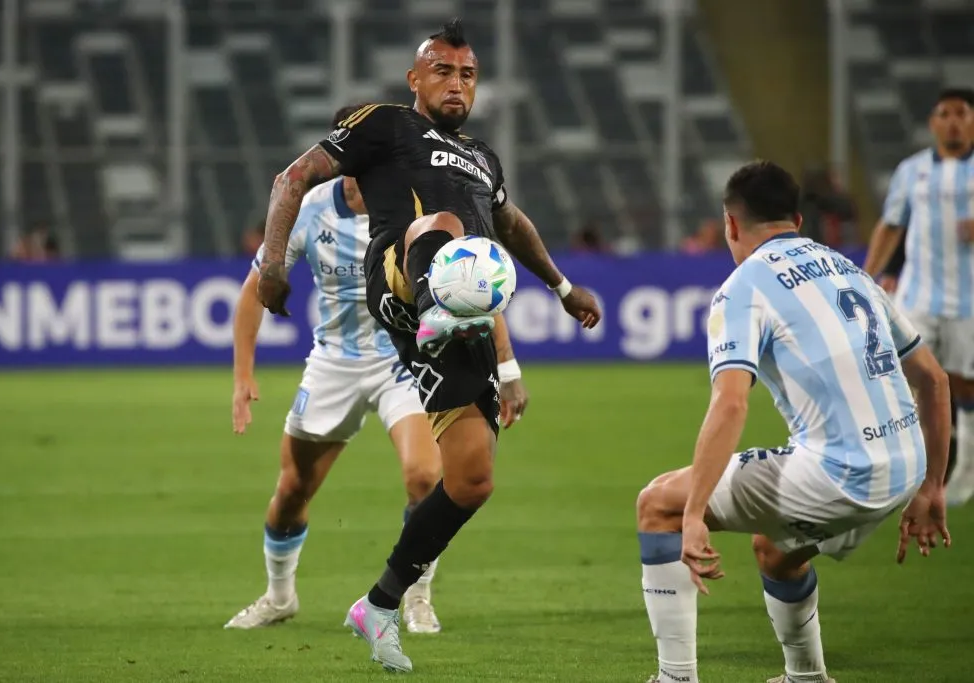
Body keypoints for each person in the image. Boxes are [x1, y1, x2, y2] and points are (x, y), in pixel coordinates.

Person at [255, 19, 601, 672]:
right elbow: (292, 177)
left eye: (467, 73)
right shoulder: (385, 125)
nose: (456, 82)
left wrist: (560, 285)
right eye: (442, 70)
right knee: (438, 223)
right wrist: (274, 263)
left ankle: (380, 603)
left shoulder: (481, 158)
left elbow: (513, 222)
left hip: (462, 319)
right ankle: (436, 309)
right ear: (415, 79)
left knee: (470, 480)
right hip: (399, 283)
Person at [636, 161, 952, 683]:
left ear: (731, 226)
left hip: (842, 475)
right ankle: (806, 677)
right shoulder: (849, 269)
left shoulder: (742, 288)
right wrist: (932, 487)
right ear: (798, 219)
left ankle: (675, 678)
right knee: (776, 548)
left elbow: (732, 403)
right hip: (905, 467)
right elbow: (934, 381)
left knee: (659, 504)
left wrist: (693, 512)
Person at [226, 104, 531, 636]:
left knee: (423, 476)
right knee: (293, 489)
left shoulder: (421, 204)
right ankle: (279, 596)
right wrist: (243, 375)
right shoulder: (313, 207)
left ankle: (414, 596)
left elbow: (469, 293)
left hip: (404, 363)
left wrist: (506, 368)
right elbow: (253, 292)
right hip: (333, 364)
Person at [863, 87, 974, 507]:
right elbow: (891, 224)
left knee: (963, 383)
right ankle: (908, 472)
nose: (952, 121)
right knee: (908, 379)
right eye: (944, 113)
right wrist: (867, 276)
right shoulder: (911, 171)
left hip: (969, 301)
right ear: (932, 122)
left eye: (961, 113)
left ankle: (964, 471)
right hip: (918, 296)